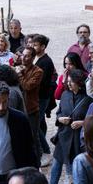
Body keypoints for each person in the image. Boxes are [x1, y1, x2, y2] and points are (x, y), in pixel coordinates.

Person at [49, 69, 93, 184]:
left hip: (77, 139)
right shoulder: (65, 95)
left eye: (71, 82)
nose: (68, 84)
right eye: (67, 82)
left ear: (79, 83)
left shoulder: (88, 100)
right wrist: (60, 119)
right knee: (57, 163)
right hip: (64, 135)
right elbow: (59, 112)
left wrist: (83, 123)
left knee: (77, 165)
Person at [16, 45, 45, 163]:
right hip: (19, 108)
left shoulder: (38, 71)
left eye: (27, 56)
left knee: (33, 137)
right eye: (23, 55)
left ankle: (36, 162)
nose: (24, 58)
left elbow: (27, 86)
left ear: (33, 58)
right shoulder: (18, 68)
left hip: (31, 109)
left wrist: (19, 74)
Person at [31, 34, 57, 163]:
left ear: (43, 46)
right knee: (39, 124)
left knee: (35, 125)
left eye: (35, 45)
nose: (33, 47)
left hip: (42, 97)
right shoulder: (36, 58)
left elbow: (43, 82)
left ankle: (46, 151)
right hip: (36, 97)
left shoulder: (46, 61)